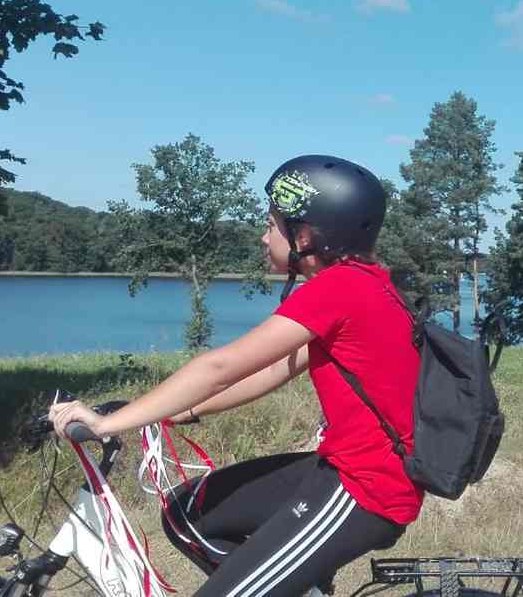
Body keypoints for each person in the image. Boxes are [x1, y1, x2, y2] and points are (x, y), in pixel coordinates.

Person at [50, 154, 421, 597]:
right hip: (342, 468)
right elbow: (274, 369)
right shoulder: (366, 282)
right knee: (188, 514)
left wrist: (107, 424)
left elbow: (219, 368)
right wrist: (182, 410)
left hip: (365, 489)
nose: (263, 237)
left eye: (271, 225)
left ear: (304, 236)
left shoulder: (338, 288)